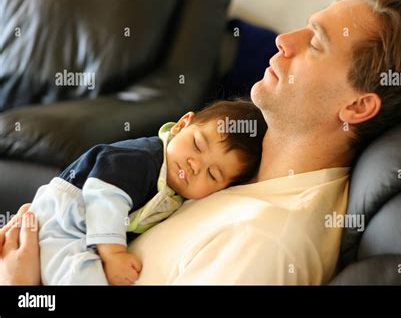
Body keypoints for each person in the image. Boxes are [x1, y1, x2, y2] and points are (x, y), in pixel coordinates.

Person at [1, 0, 401, 285]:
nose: (285, 40)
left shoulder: (265, 244)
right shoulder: (246, 178)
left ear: (358, 106)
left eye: (316, 42)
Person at [27, 99, 266, 285]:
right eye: (197, 145)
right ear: (182, 124)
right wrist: (113, 254)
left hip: (84, 230)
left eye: (212, 174)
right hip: (64, 215)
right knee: (77, 277)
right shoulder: (144, 158)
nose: (195, 165)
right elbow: (104, 197)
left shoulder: (178, 194)